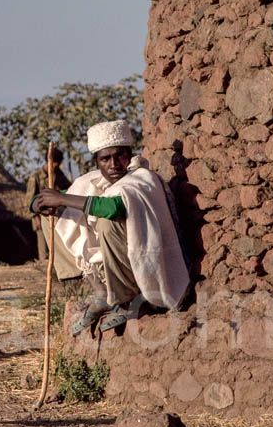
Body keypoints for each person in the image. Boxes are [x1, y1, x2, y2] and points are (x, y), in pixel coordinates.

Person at [30, 119, 189, 335]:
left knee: (106, 222)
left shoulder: (141, 179)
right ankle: (101, 291)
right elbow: (49, 198)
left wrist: (62, 199)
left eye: (120, 156)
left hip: (145, 267)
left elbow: (113, 208)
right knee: (55, 215)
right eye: (105, 159)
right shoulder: (93, 182)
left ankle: (127, 299)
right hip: (110, 266)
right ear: (97, 162)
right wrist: (39, 204)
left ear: (129, 156)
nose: (113, 165)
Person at [25, 147, 71, 263]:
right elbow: (29, 200)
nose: (56, 166)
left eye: (58, 163)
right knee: (43, 244)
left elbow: (69, 189)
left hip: (57, 214)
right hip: (40, 214)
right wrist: (35, 217)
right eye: (55, 163)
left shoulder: (59, 174)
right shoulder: (35, 177)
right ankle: (44, 263)